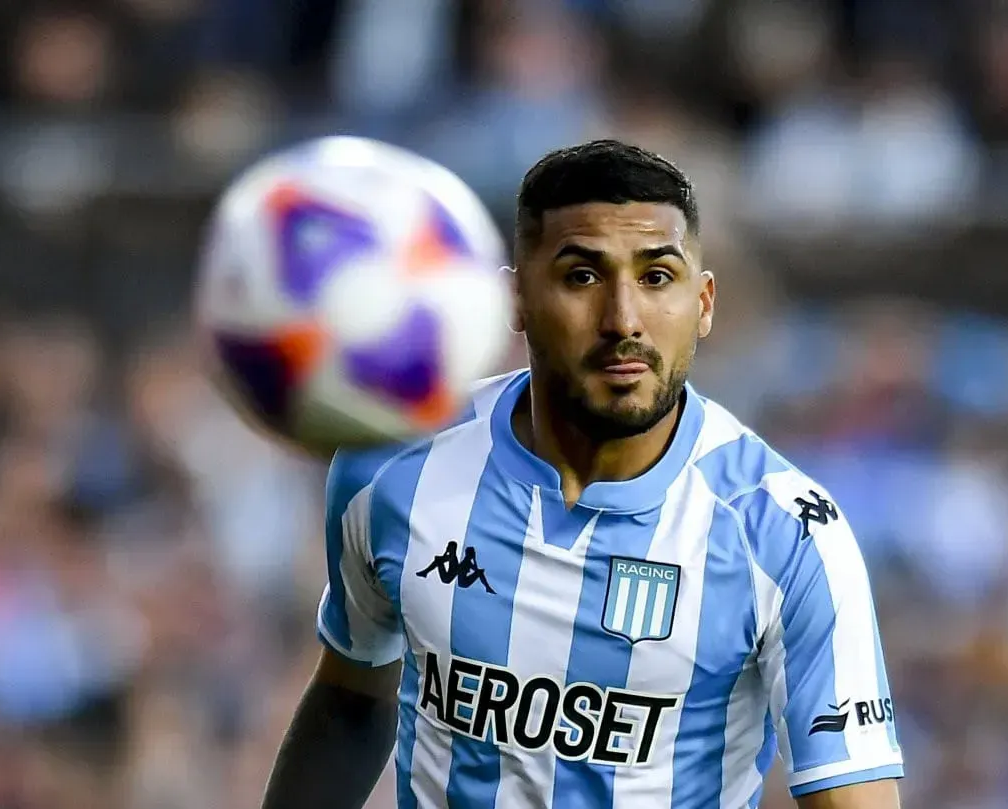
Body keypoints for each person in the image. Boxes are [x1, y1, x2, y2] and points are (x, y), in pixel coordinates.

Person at [261, 139, 904, 808]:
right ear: (515, 297)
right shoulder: (392, 467)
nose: (623, 320)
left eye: (657, 277)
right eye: (582, 276)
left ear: (704, 302)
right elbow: (351, 697)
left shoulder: (785, 532)